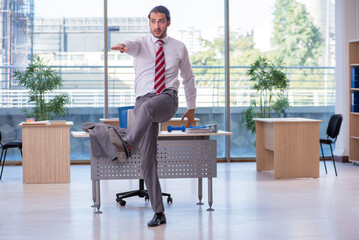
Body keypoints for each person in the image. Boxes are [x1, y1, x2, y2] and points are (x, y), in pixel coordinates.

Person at [110, 5, 196, 227]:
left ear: (168, 22)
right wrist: (122, 46)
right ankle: (159, 212)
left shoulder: (179, 47)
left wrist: (192, 108)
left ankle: (127, 144)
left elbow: (188, 79)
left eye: (161, 21)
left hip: (167, 99)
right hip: (143, 102)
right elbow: (131, 45)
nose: (156, 26)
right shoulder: (141, 44)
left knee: (147, 109)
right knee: (147, 160)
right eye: (153, 21)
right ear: (149, 22)